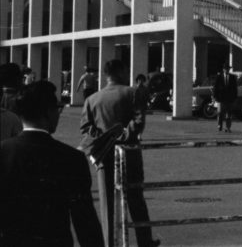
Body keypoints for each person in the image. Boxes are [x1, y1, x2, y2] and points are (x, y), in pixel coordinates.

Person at [1, 80, 104, 247]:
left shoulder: (4, 152)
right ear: (48, 112)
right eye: (57, 108)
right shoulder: (72, 158)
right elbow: (85, 221)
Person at [80, 58, 160, 247]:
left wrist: (104, 138)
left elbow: (86, 128)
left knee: (107, 203)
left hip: (102, 156)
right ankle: (144, 241)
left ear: (106, 75)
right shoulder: (133, 93)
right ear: (122, 71)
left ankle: (109, 242)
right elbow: (138, 122)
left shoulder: (92, 99)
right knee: (135, 199)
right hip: (129, 153)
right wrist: (122, 136)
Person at [213, 63, 239, 133]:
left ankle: (228, 127)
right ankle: (219, 125)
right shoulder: (219, 77)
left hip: (230, 99)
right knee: (220, 113)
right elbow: (215, 88)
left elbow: (235, 89)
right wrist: (215, 97)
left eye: (228, 69)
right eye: (226, 69)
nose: (227, 70)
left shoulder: (233, 77)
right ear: (223, 69)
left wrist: (235, 98)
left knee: (229, 114)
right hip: (221, 98)